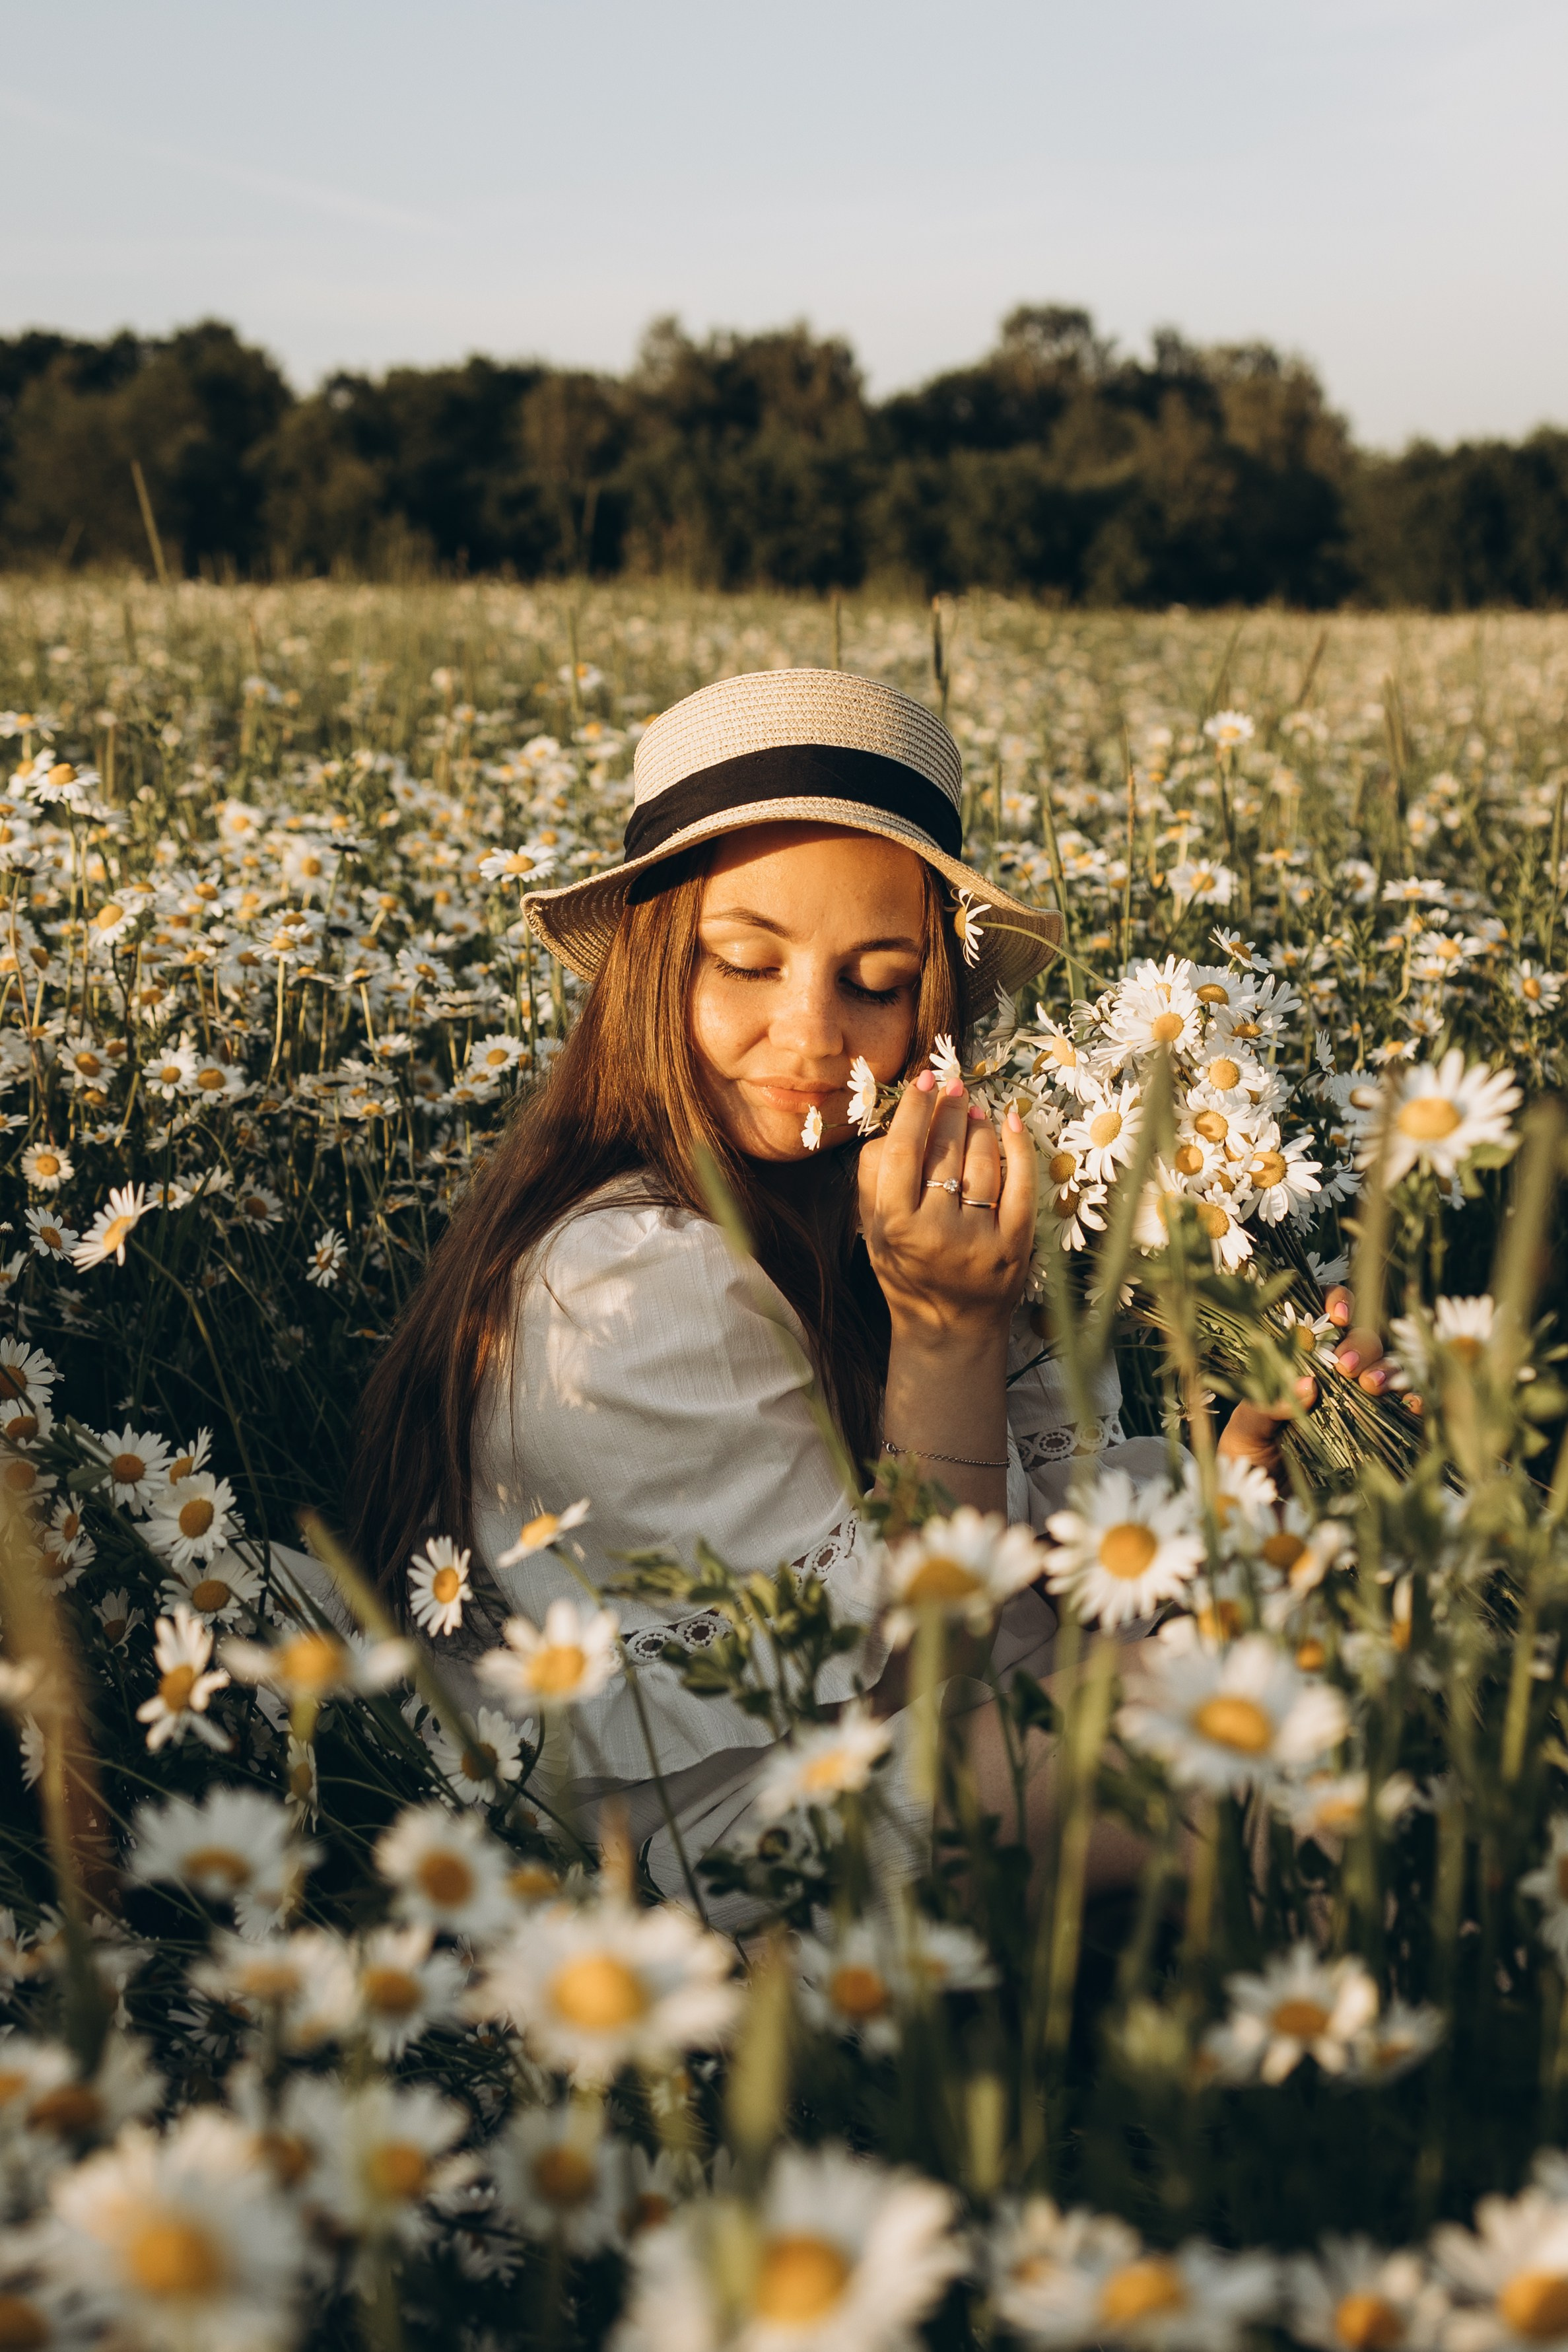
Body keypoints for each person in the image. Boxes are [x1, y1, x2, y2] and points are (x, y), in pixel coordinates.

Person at [339, 669, 1382, 1908]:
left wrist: (1244, 1469)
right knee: (1275, 1729)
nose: (813, 1033)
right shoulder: (623, 1288)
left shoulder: (864, 1199)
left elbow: (1046, 1595)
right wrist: (948, 1334)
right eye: (743, 961)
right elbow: (927, 1672)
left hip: (906, 1742)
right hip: (710, 1856)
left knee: (1327, 1620)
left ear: (932, 1002)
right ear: (650, 971)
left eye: (876, 982)